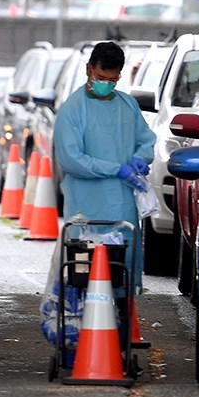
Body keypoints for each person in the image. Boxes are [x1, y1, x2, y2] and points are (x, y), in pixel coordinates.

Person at [53, 41, 156, 278]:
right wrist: (117, 169)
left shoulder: (127, 105)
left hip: (122, 207)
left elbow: (146, 139)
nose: (106, 85)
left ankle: (122, 314)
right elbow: (71, 159)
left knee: (122, 273)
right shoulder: (73, 109)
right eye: (101, 77)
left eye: (112, 81)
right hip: (85, 208)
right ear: (89, 69)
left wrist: (142, 158)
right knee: (84, 275)